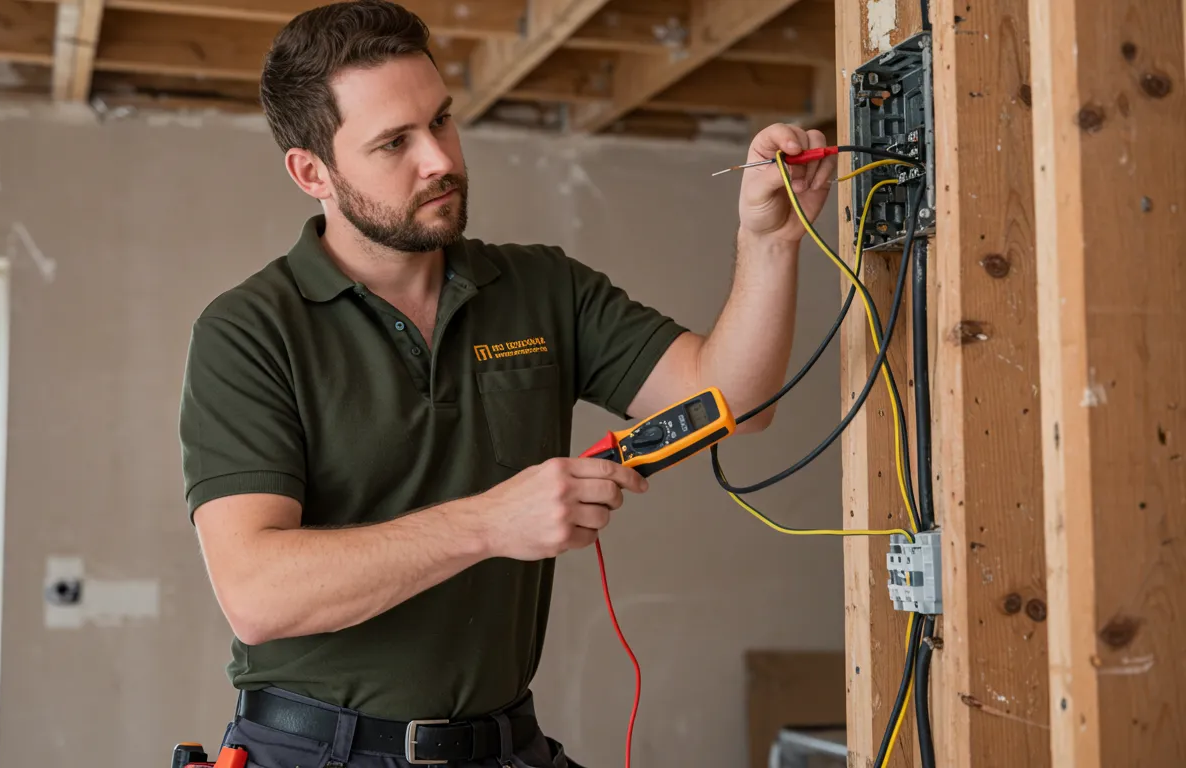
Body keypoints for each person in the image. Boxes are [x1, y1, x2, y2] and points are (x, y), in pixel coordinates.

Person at [177, 2, 837, 765]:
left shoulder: (542, 287)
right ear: (311, 172)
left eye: (443, 121)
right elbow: (257, 595)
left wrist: (772, 241)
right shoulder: (250, 331)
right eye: (395, 142)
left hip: (504, 743)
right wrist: (490, 523)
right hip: (316, 751)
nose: (440, 160)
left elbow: (735, 403)